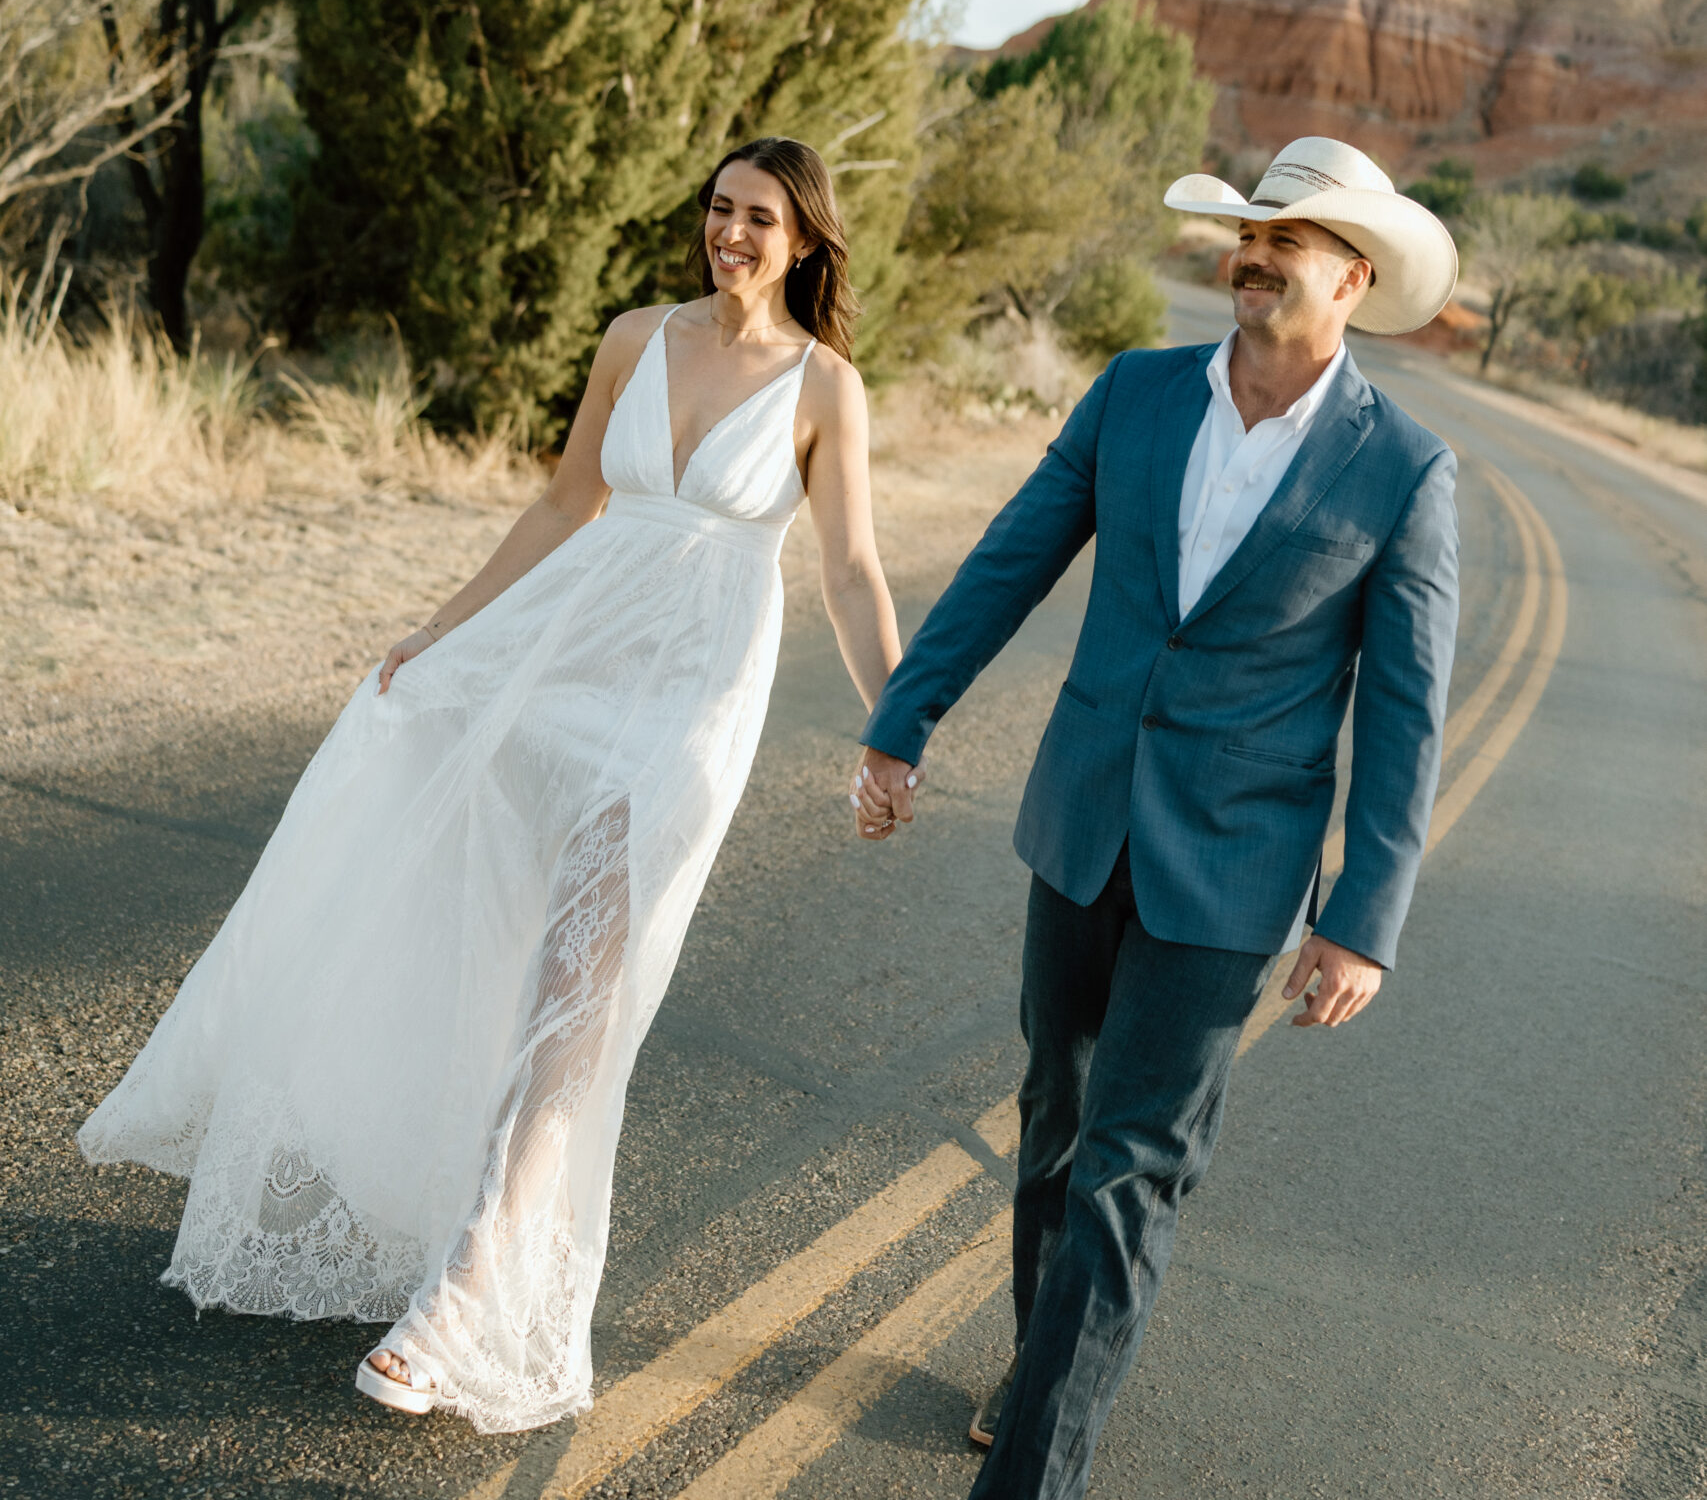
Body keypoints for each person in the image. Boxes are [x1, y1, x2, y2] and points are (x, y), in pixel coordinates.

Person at [81, 137, 902, 1434]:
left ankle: (465, 1294)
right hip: (564, 665)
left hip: (690, 708)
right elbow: (564, 502)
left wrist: (894, 724)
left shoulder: (825, 386)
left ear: (805, 240)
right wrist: (443, 631)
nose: (729, 233)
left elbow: (852, 568)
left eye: (758, 217)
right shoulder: (637, 335)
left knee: (583, 986)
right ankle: (423, 1195)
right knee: (496, 939)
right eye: (718, 208)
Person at [851, 136, 1462, 1500]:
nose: (1252, 255)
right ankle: (1040, 1369)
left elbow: (1408, 714)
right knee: (1056, 1115)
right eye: (1248, 232)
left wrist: (1361, 918)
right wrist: (905, 718)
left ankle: (1035, 1471)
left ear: (1353, 277)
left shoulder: (1404, 471)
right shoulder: (1131, 397)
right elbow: (1013, 553)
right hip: (1080, 828)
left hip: (1235, 873)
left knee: (1137, 1169)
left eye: (1286, 240)